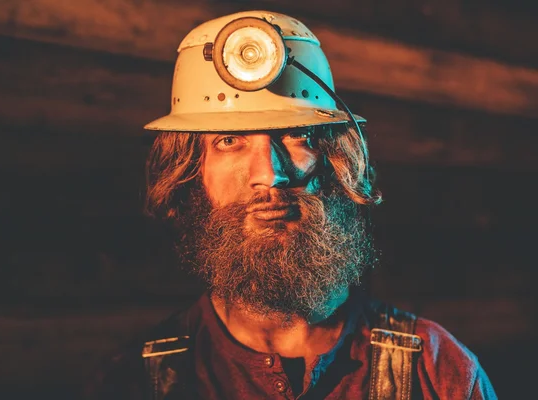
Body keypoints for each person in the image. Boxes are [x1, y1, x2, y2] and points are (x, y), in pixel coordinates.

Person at [84, 10, 496, 399]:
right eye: (229, 141)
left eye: (299, 137)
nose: (270, 173)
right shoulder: (136, 383)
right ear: (193, 174)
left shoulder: (439, 374)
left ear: (339, 162)